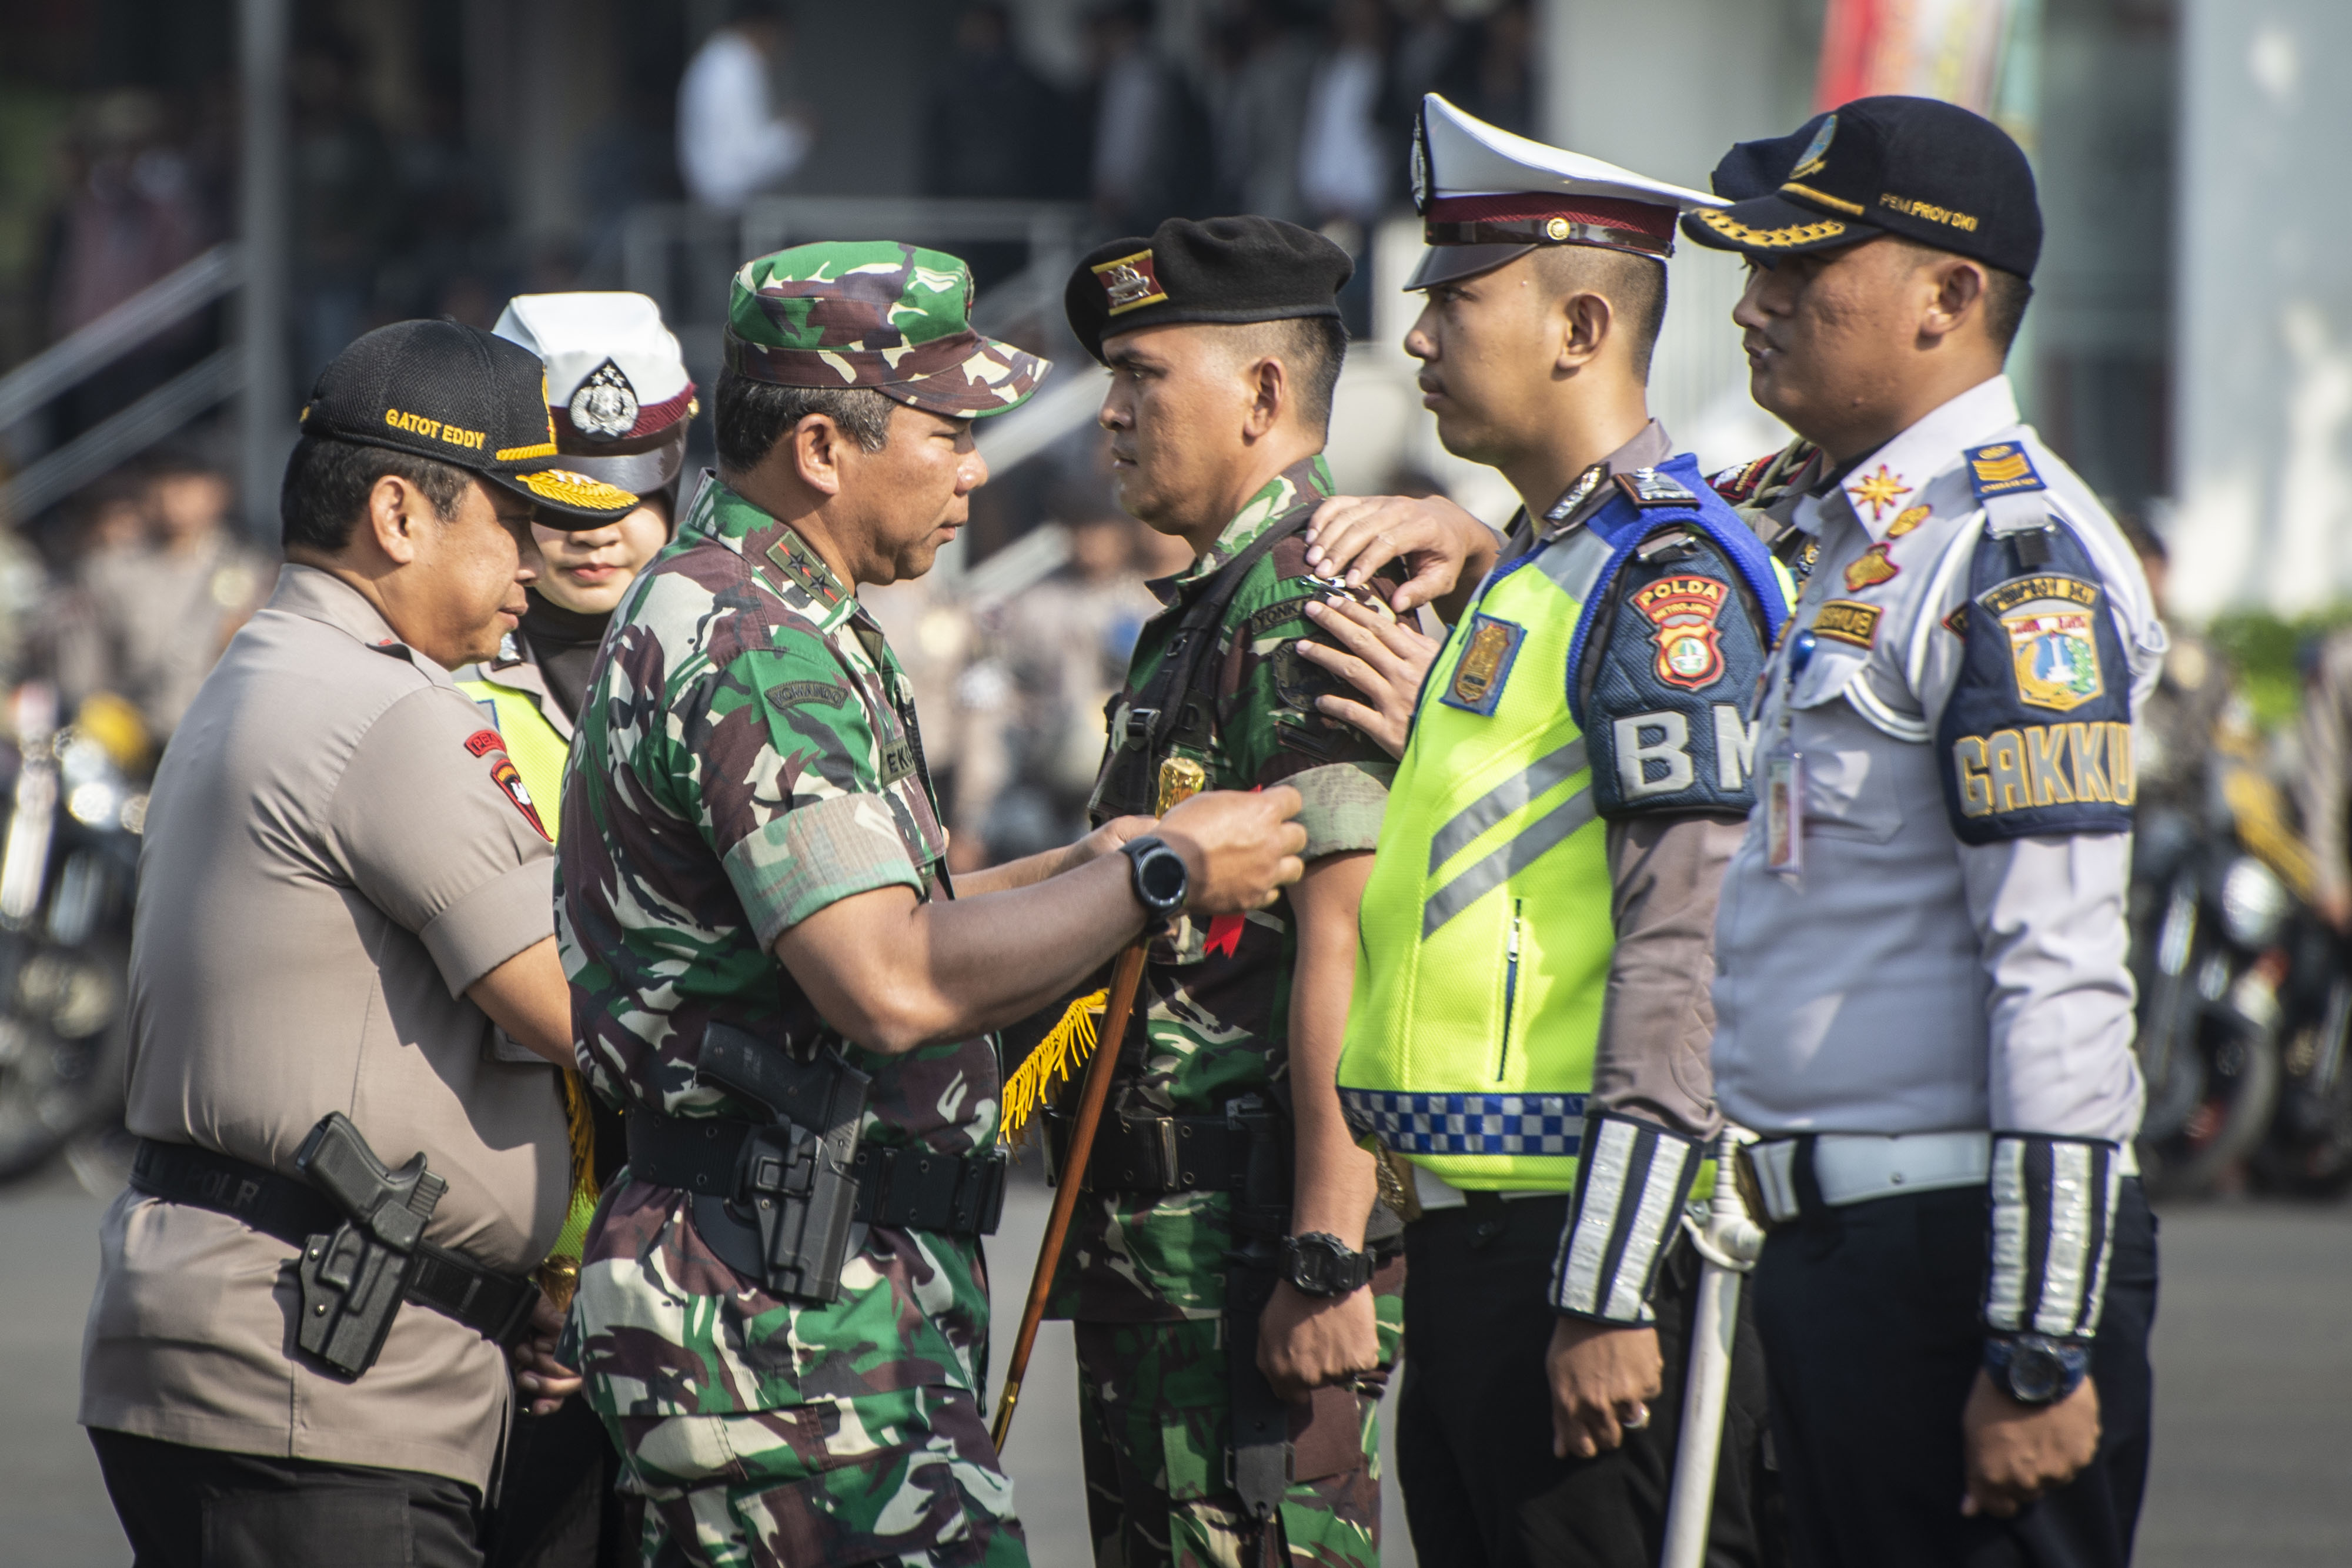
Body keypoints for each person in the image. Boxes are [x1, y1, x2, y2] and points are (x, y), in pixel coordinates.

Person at [556, 240, 1308, 1568]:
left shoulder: (756, 606)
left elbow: (886, 909)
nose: (973, 469)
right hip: (786, 1322)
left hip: (794, 1292)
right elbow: (888, 980)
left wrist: (1091, 865)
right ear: (822, 449)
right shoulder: (754, 646)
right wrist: (1161, 878)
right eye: (945, 430)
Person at [1297, 95, 1788, 1568]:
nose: (1421, 339)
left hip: (1577, 1254)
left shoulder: (1662, 573)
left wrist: (1611, 1285)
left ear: (1583, 326)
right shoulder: (1539, 561)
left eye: (1456, 299)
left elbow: (1677, 950)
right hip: (1474, 1249)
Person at [1675, 96, 2164, 1566]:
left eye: (1801, 273)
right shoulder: (1853, 529)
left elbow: (2057, 969)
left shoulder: (2011, 561)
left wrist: (2036, 1343)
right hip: (1831, 1250)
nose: (1753, 305)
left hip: (1956, 1259)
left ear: (1950, 297)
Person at [78, 318, 649, 1566]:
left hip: (269, 1346)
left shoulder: (268, 667)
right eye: (511, 516)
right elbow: (586, 1005)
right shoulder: (384, 708)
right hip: (315, 1386)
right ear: (399, 515)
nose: (540, 557)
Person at [1031, 215, 1404, 1568]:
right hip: (1162, 1255)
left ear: (1260, 392)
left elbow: (1345, 948)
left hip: (1248, 1259)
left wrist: (1323, 1249)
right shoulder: (1209, 607)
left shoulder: (1312, 598)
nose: (1111, 416)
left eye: (1142, 377)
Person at [457, 290, 699, 1568]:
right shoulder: (435, 689)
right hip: (498, 1265)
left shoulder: (731, 674)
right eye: (561, 505)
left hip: (691, 1260)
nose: (601, 534)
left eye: (631, 497)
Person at [58, 450, 274, 751]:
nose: (171, 496)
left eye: (185, 484)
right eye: (161, 483)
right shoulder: (112, 571)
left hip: (217, 745)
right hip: (137, 746)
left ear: (217, 492)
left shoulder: (252, 569)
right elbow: (83, 674)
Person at [676, 0, 814, 211]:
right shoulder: (736, 67)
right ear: (765, 29)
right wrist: (795, 132)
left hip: (715, 201)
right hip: (730, 208)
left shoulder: (716, 59)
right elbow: (748, 158)